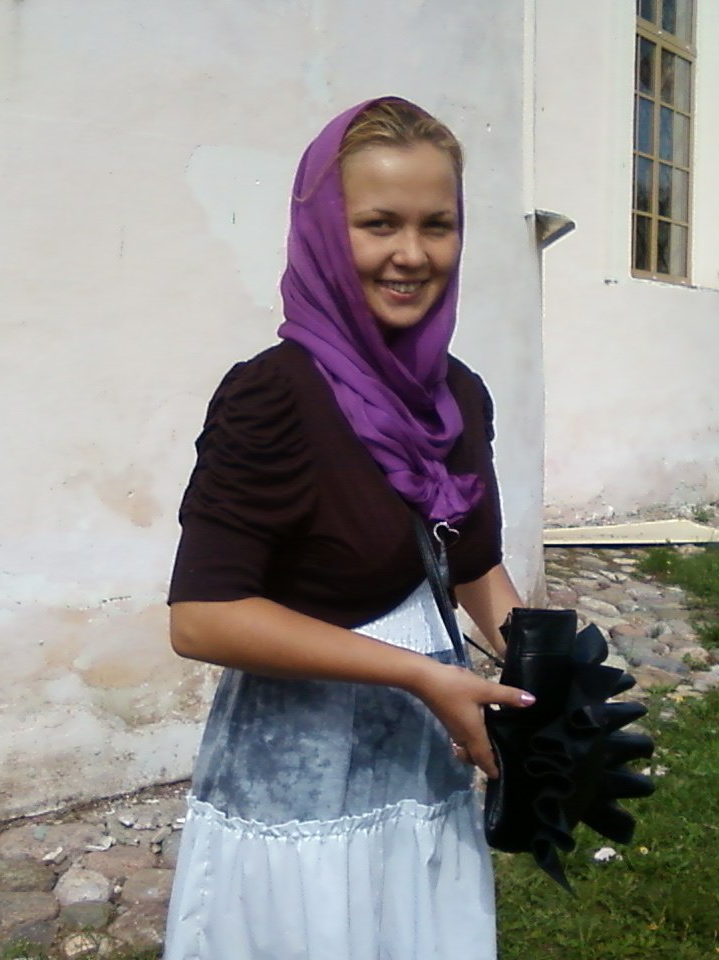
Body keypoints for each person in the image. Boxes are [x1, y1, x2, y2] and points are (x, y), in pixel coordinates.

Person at [161, 97, 533, 960]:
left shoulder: (457, 394)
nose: (413, 254)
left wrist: (544, 673)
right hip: (303, 785)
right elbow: (202, 618)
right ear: (327, 232)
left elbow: (471, 563)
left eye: (437, 225)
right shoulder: (274, 395)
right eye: (379, 224)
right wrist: (418, 676)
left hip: (423, 762)